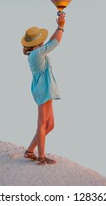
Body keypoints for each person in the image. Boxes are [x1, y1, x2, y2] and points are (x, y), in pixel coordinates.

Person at [21, 13, 65, 164]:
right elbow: (56, 42)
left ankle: (29, 151)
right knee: (42, 123)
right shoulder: (37, 53)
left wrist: (58, 27)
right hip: (43, 89)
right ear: (34, 44)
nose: (42, 43)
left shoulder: (35, 52)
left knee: (50, 125)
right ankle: (41, 156)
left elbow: (51, 41)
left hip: (45, 88)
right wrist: (61, 26)